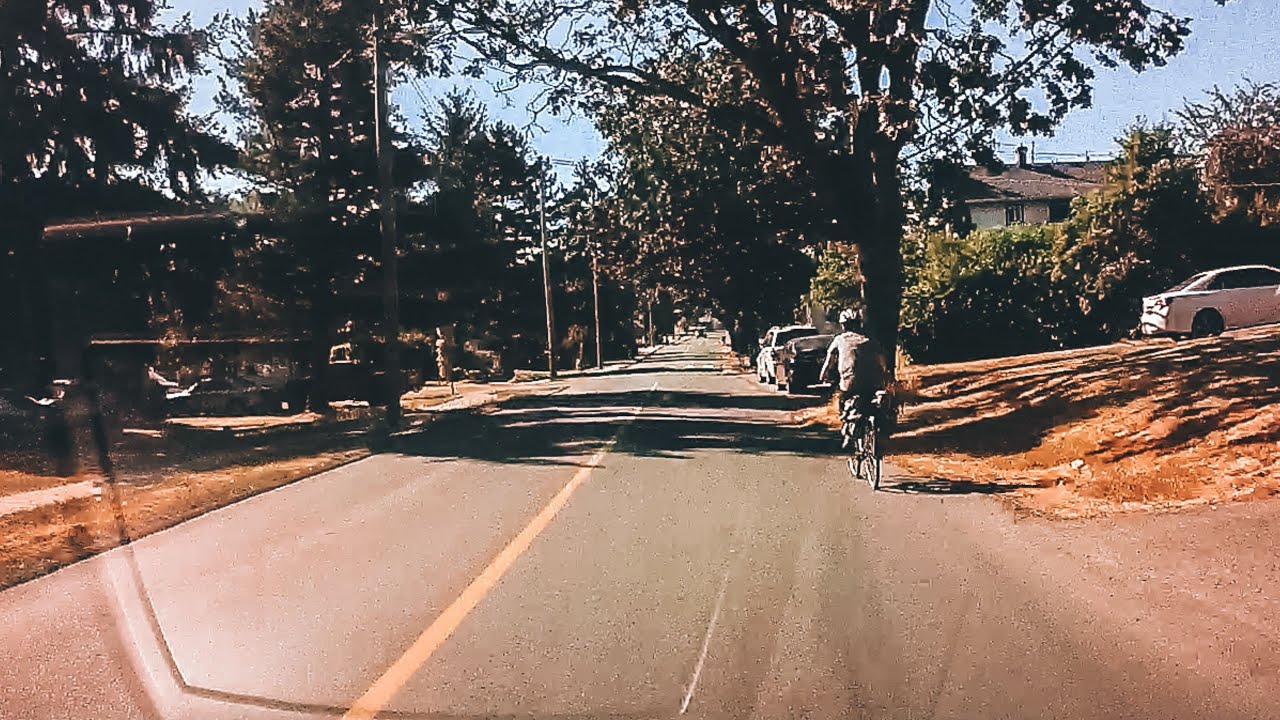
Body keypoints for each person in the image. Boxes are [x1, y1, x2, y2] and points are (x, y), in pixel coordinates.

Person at [819, 309, 888, 435]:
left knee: (842, 399)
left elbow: (829, 361)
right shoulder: (870, 340)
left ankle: (845, 422)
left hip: (849, 383)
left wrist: (823, 375)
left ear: (843, 325)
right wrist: (884, 375)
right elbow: (882, 361)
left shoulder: (839, 340)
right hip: (873, 383)